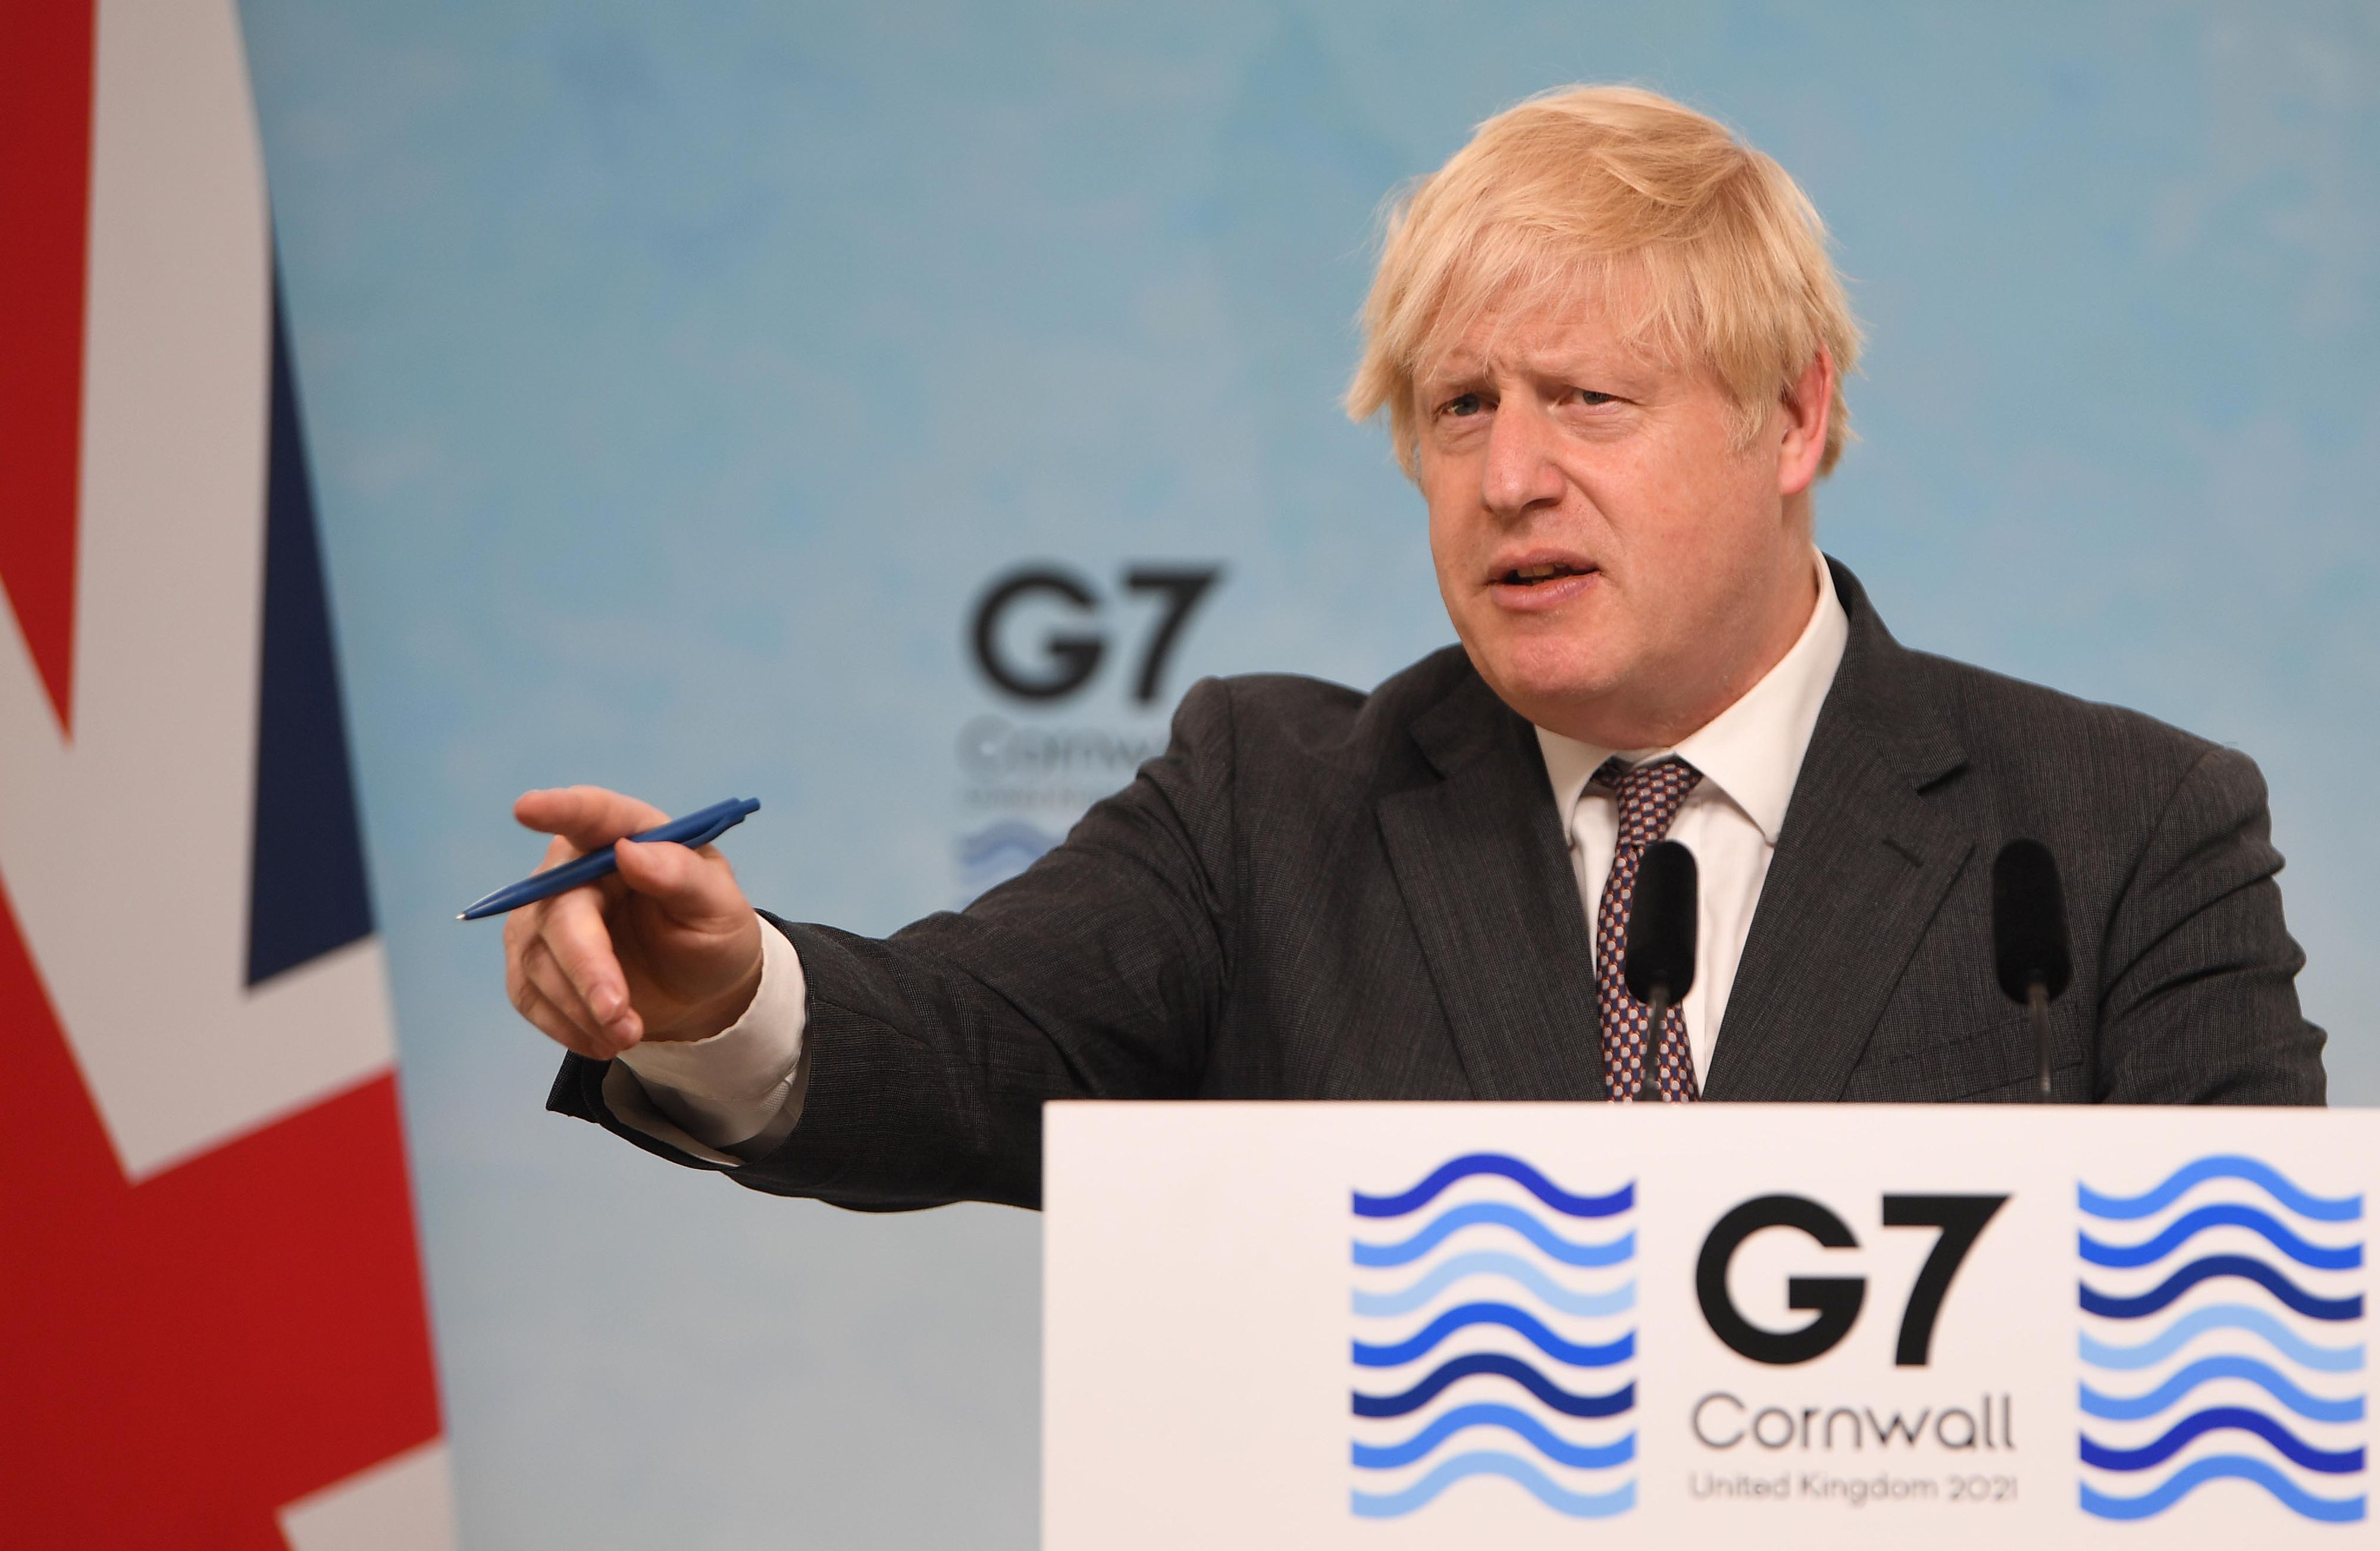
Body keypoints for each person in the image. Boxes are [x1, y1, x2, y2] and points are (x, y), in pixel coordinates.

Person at [505, 86, 2325, 1212]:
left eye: (1588, 401)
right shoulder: (1273, 807)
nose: (1510, 477)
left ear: (1793, 420)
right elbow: (964, 1046)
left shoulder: (2117, 829)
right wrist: (723, 998)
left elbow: (2252, 1359)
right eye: (1459, 408)